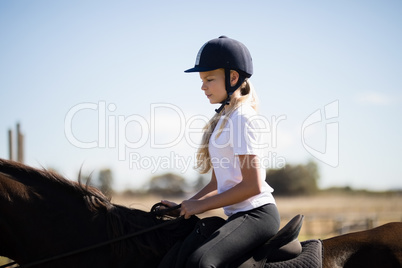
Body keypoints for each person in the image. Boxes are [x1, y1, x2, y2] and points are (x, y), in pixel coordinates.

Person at [162, 36, 280, 268]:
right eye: (201, 80)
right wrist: (184, 205)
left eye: (209, 79)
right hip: (239, 215)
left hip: (257, 214)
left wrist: (200, 206)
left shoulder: (243, 118)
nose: (203, 86)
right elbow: (217, 183)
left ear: (233, 78)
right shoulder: (224, 120)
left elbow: (252, 186)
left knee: (201, 262)